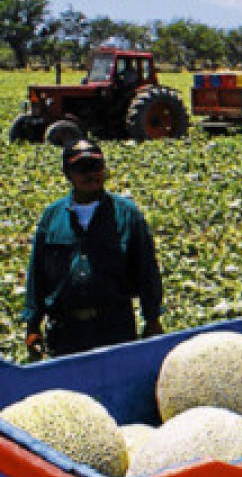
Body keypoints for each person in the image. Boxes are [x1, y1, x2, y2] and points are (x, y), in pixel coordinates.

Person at [21, 139, 164, 360]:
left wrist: (152, 319)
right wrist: (32, 324)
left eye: (96, 166)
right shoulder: (52, 216)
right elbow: (37, 275)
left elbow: (147, 270)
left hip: (115, 328)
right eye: (82, 168)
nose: (91, 174)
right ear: (67, 173)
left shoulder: (127, 214)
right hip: (65, 332)